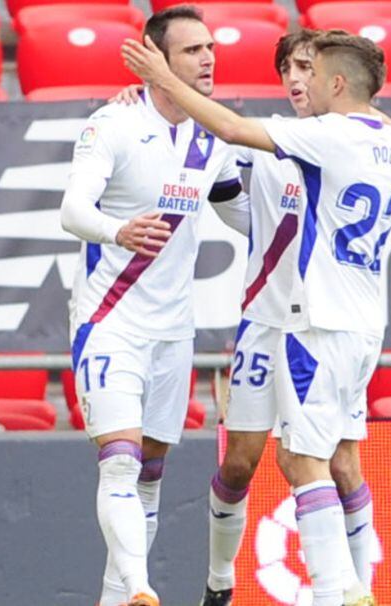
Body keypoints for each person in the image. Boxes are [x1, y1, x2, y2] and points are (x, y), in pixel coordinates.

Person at [123, 30, 391, 606]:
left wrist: (159, 79)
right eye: (289, 67)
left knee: (318, 460)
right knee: (243, 462)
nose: (298, 79)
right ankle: (225, 582)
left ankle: (343, 590)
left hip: (316, 319)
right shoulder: (377, 140)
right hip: (282, 319)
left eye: (308, 68)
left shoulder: (321, 138)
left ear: (333, 80)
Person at [60, 7, 250, 606]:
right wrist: (118, 232)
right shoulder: (112, 125)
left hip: (173, 330)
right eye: (192, 50)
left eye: (210, 47)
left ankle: (120, 599)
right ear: (155, 60)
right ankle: (142, 588)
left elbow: (241, 213)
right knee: (119, 459)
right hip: (109, 320)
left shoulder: (212, 138)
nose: (208, 58)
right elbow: (72, 211)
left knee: (149, 476)